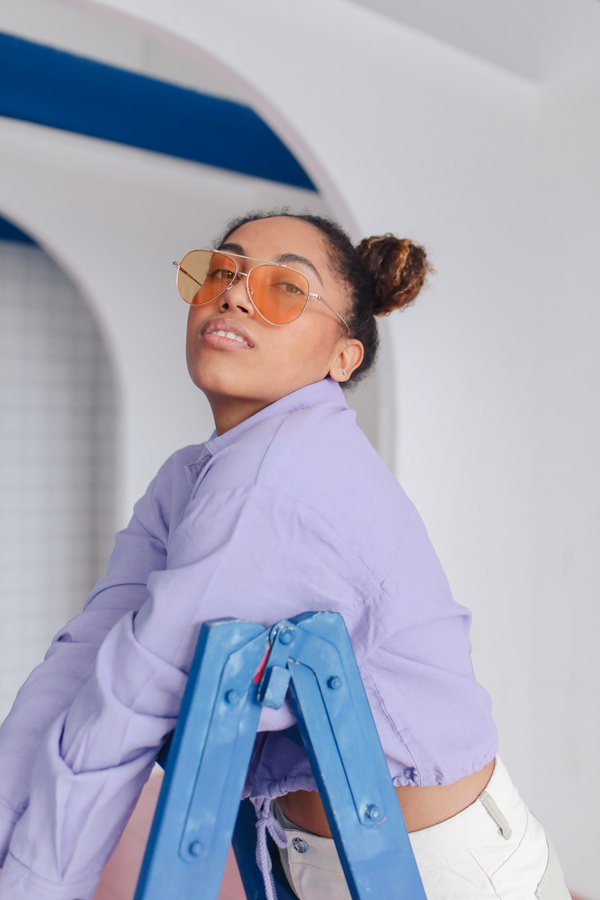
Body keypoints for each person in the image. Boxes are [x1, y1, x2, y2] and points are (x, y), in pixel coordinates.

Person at [0, 212, 570, 900]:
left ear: (342, 357)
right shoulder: (192, 474)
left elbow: (126, 704)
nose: (234, 295)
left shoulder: (281, 477)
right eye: (222, 271)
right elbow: (79, 661)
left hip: (444, 874)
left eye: (285, 289)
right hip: (335, 862)